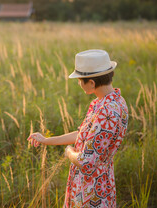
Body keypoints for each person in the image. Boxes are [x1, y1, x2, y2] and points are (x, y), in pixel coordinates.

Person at [27, 49, 128, 207]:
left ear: (92, 83)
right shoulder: (113, 101)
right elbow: (83, 135)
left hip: (92, 192)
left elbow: (86, 162)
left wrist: (69, 152)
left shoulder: (106, 112)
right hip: (96, 184)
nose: (79, 83)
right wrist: (46, 140)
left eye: (80, 80)